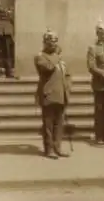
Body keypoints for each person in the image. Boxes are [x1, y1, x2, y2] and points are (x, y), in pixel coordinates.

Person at [34, 29, 72, 159]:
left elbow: (67, 74)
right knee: (48, 124)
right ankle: (49, 149)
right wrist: (57, 56)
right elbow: (48, 68)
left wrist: (68, 87)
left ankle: (58, 147)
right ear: (45, 42)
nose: (54, 44)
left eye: (55, 41)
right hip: (48, 94)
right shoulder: (40, 56)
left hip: (61, 93)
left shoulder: (60, 58)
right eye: (51, 41)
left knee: (59, 123)